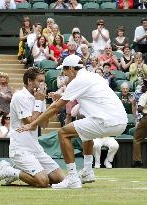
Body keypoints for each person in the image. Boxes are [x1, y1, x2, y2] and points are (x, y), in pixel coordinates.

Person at [17, 55, 127, 189]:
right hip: (121, 121)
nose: (64, 74)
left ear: (70, 68)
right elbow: (86, 95)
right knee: (86, 131)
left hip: (108, 120)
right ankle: (87, 171)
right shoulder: (93, 76)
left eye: (64, 70)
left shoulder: (79, 80)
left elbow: (56, 107)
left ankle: (73, 178)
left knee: (63, 133)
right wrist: (61, 96)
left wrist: (32, 124)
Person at [0, 67, 64, 187]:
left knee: (60, 179)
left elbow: (44, 125)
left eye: (44, 81)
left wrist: (50, 107)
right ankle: (8, 170)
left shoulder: (40, 97)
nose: (43, 84)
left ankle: (19, 170)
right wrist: (39, 101)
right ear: (29, 81)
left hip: (35, 148)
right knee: (43, 182)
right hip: (20, 149)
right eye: (40, 81)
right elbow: (32, 125)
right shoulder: (19, 96)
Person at [132, 78, 147, 167]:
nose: (142, 86)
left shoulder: (144, 95)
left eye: (144, 85)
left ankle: (138, 161)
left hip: (146, 119)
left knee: (137, 139)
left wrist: (144, 113)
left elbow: (140, 108)